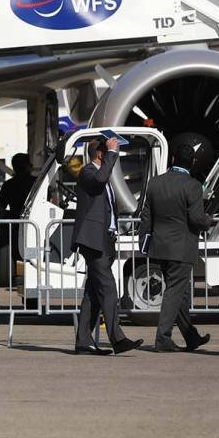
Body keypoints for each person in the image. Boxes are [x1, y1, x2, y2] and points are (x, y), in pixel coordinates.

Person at [71, 136, 143, 356]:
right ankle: (117, 338)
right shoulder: (88, 172)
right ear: (100, 154)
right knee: (109, 289)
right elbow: (100, 179)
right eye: (109, 152)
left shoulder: (102, 175)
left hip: (105, 241)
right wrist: (112, 153)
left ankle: (83, 341)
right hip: (93, 242)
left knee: (93, 294)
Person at [139, 144, 214, 352]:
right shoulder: (192, 186)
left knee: (178, 293)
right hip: (182, 247)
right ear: (192, 163)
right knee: (174, 292)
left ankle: (191, 337)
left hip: (160, 246)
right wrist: (209, 221)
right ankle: (163, 338)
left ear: (173, 159)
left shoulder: (155, 183)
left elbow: (147, 216)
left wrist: (143, 241)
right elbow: (196, 218)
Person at [0, 153, 35, 219]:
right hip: (35, 222)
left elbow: (1, 210)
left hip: (14, 224)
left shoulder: (8, 185)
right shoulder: (36, 182)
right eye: (30, 165)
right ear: (27, 166)